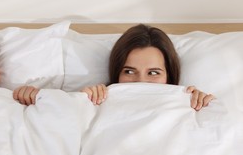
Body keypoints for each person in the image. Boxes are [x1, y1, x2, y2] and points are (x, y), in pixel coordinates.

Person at [14, 24, 214, 110]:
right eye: (129, 71)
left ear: (169, 76)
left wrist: (203, 105)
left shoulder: (189, 102)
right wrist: (37, 96)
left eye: (153, 73)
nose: (140, 82)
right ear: (116, 73)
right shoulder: (99, 99)